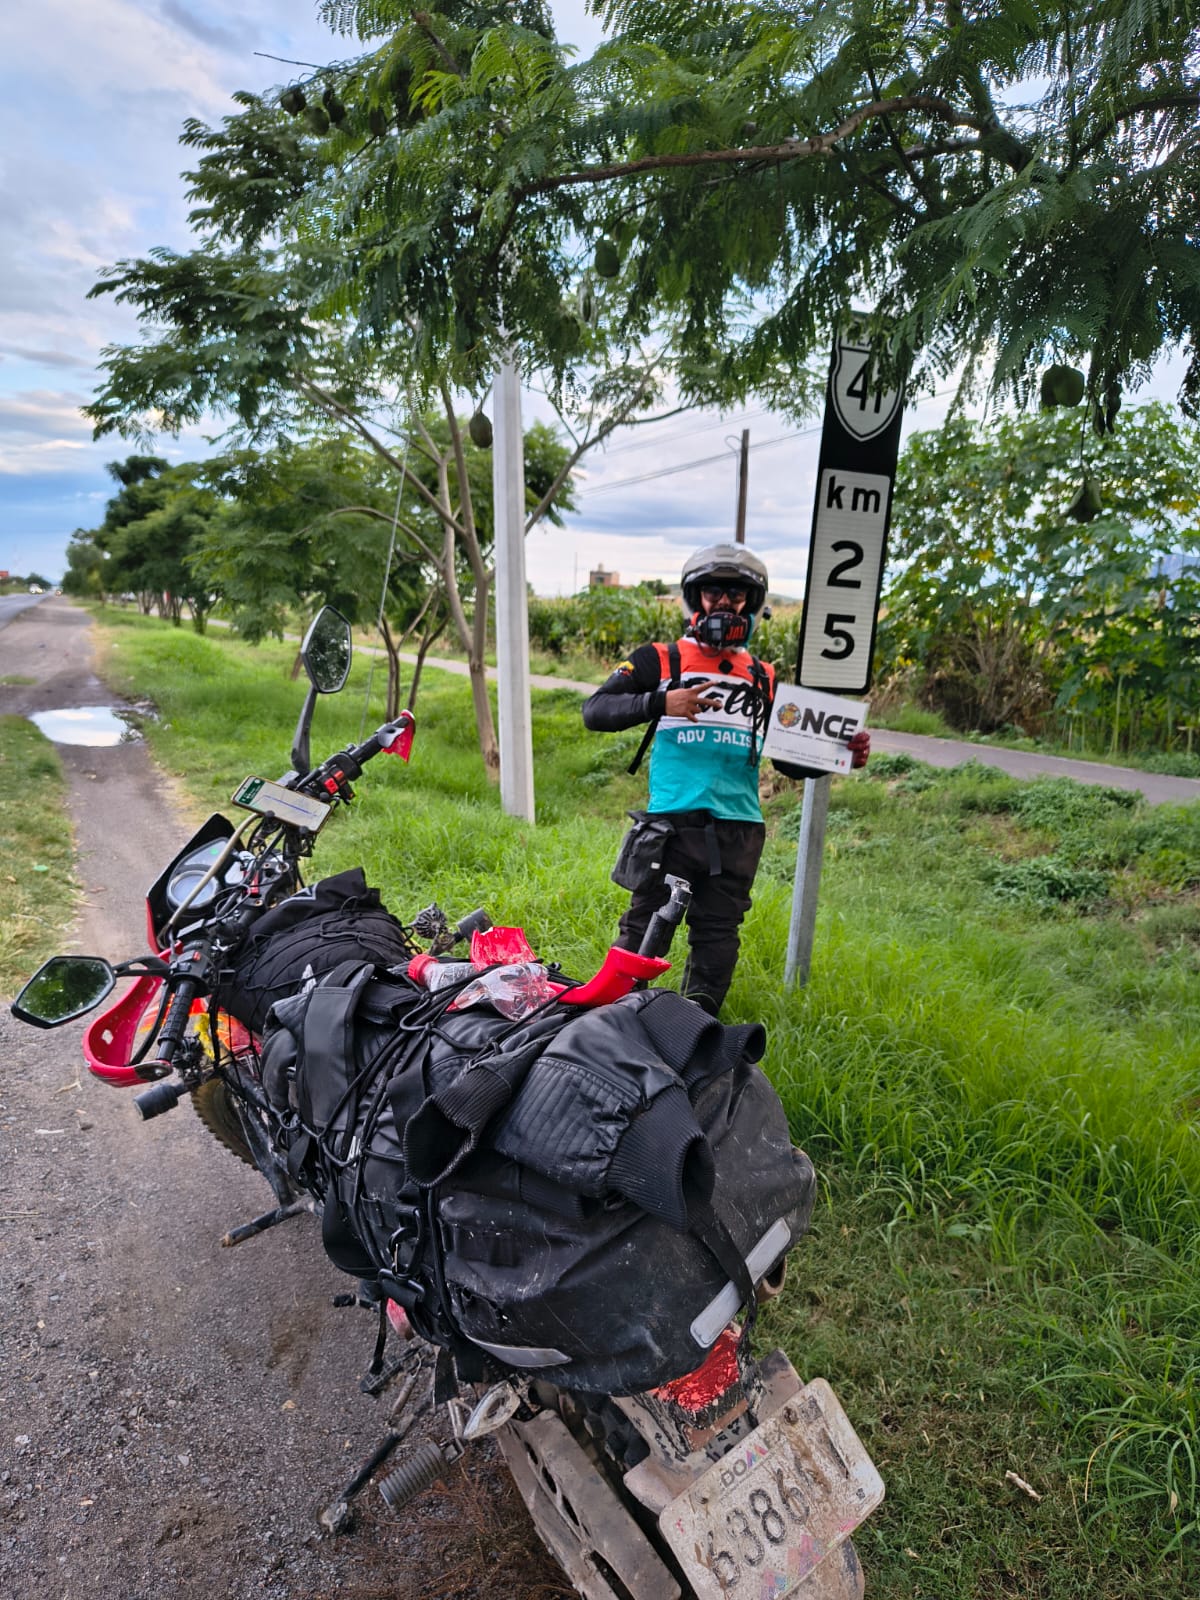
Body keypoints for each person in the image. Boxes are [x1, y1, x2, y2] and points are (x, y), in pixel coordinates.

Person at [582, 543, 869, 1015]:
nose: (725, 602)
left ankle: (694, 1031)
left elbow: (788, 761)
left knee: (717, 937)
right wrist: (661, 702)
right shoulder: (660, 659)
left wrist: (840, 755)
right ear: (696, 599)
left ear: (751, 605)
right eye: (714, 591)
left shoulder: (764, 676)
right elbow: (596, 711)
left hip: (738, 829)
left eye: (737, 594)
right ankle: (613, 1026)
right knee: (644, 929)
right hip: (672, 824)